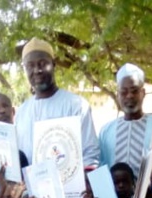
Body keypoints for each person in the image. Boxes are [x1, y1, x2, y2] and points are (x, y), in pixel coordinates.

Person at [15, 39, 99, 168]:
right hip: (31, 187)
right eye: (30, 66)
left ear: (54, 65)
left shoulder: (76, 105)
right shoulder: (21, 113)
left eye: (43, 64)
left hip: (72, 187)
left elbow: (90, 154)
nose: (37, 70)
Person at [99, 63, 152, 172]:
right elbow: (101, 168)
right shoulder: (106, 131)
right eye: (124, 92)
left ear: (143, 93)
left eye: (134, 91)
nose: (129, 96)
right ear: (118, 95)